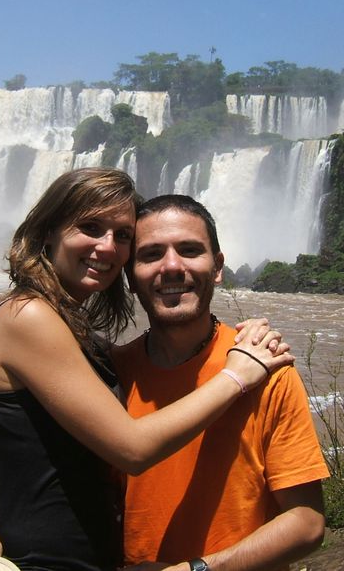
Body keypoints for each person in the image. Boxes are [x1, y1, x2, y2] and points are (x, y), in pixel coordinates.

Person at [0, 168, 294, 571]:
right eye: (90, 228)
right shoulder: (28, 316)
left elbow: (52, 464)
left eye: (123, 236)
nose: (107, 247)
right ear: (48, 231)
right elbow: (132, 448)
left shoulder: (79, 334)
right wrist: (238, 374)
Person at [114, 194, 329, 571]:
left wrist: (196, 570)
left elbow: (306, 523)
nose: (172, 266)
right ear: (131, 276)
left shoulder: (268, 368)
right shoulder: (111, 374)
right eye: (150, 255)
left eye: (189, 250)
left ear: (217, 268)